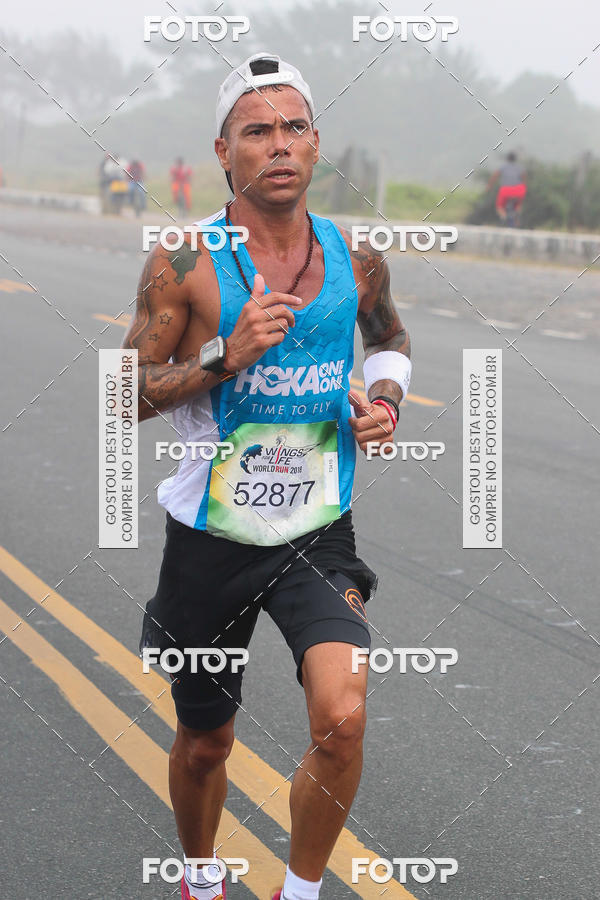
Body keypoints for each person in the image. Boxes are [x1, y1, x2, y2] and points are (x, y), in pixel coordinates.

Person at [123, 52, 412, 900]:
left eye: (294, 127)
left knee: (343, 718)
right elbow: (124, 397)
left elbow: (390, 342)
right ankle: (202, 876)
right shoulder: (185, 264)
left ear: (316, 144)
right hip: (212, 538)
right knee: (207, 741)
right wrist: (224, 355)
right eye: (257, 131)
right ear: (224, 153)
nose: (278, 144)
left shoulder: (354, 258)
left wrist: (385, 402)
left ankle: (302, 890)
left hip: (318, 529)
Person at [488, 151, 527, 224]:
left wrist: (489, 186)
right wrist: (524, 189)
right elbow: (524, 179)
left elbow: (495, 176)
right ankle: (517, 214)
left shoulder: (503, 167)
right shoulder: (520, 167)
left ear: (507, 159)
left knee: (499, 206)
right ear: (515, 159)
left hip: (506, 190)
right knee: (518, 205)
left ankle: (503, 216)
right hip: (519, 189)